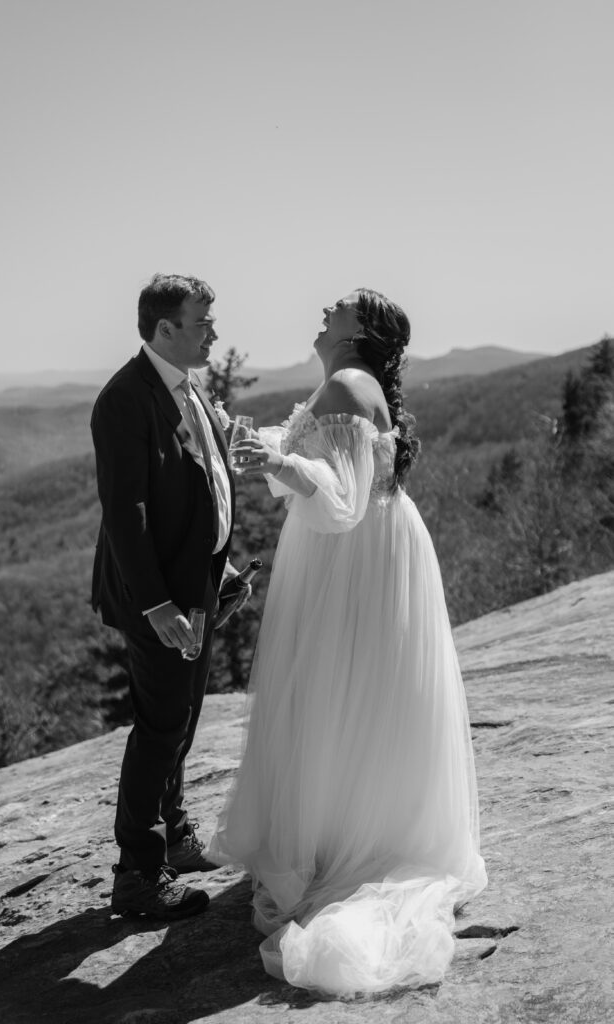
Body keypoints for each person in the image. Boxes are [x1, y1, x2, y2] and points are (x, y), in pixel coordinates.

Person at [211, 288, 487, 996]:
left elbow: (337, 503)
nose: (321, 310)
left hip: (349, 562)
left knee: (331, 696)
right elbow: (337, 465)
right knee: (363, 698)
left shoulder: (344, 381)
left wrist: (273, 465)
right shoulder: (350, 384)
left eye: (335, 306)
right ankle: (359, 829)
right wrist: (272, 446)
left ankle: (333, 847)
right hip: (375, 553)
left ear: (360, 328)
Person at [91, 273, 242, 921]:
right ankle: (138, 877)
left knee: (180, 721)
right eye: (202, 323)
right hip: (159, 599)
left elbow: (202, 481)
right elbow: (127, 515)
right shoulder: (126, 399)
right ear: (164, 330)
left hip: (196, 585)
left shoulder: (187, 387)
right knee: (159, 728)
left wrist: (221, 568)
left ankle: (175, 835)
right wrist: (159, 606)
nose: (213, 333)